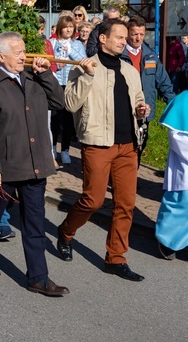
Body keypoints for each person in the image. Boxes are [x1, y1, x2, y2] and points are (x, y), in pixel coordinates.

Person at [0, 32, 69, 296]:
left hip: (35, 164)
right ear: (1, 57)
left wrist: (46, 74)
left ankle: (38, 276)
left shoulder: (34, 79)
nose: (24, 56)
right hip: (5, 166)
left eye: (24, 51)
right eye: (17, 52)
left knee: (35, 223)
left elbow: (58, 103)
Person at [57, 20, 150, 281]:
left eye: (126, 37)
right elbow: (70, 104)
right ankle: (65, 232)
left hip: (127, 146)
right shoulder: (85, 67)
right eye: (119, 37)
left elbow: (139, 99)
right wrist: (86, 76)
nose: (124, 41)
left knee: (126, 204)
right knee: (93, 200)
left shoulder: (130, 70)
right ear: (103, 38)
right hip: (97, 143)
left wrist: (142, 109)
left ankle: (116, 258)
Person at [120, 16, 174, 164]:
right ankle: (121, 176)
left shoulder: (150, 56)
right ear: (127, 33)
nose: (138, 38)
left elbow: (163, 82)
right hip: (124, 107)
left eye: (141, 34)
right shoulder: (119, 55)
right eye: (134, 34)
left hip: (145, 108)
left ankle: (132, 173)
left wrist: (174, 104)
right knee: (125, 144)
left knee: (141, 143)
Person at [155, 91, 188, 259]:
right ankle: (168, 241)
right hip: (185, 164)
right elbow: (177, 136)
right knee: (181, 202)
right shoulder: (184, 99)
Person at [49, 14, 86, 165]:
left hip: (71, 84)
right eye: (66, 27)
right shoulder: (52, 42)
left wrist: (70, 50)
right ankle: (52, 148)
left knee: (68, 118)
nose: (69, 29)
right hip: (56, 83)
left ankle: (65, 150)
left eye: (71, 27)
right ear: (60, 28)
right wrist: (57, 65)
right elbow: (49, 59)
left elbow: (82, 60)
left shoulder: (77, 44)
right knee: (54, 118)